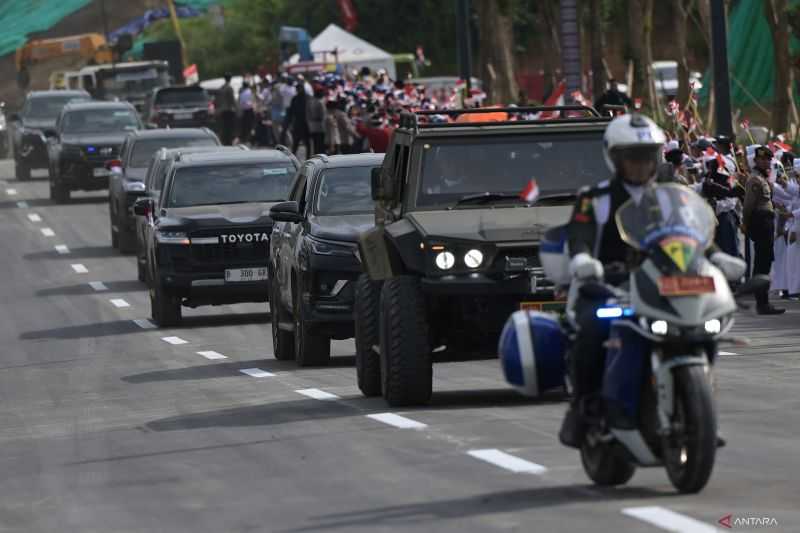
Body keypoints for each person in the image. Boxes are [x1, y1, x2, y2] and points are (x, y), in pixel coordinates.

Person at [559, 114, 747, 448]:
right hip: (610, 283)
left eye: (647, 154)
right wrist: (583, 259)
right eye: (631, 155)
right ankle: (584, 408)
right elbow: (580, 234)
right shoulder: (594, 197)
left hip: (663, 281)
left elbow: (692, 234)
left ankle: (699, 414)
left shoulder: (670, 195)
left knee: (703, 327)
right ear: (614, 158)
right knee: (592, 328)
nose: (640, 163)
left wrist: (716, 257)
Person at [743, 145, 785, 314]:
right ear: (756, 160)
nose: (766, 161)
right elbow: (748, 205)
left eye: (768, 158)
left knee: (765, 261)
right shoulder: (755, 179)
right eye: (763, 159)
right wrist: (745, 223)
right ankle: (762, 302)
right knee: (762, 262)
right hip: (760, 222)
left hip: (766, 221)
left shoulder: (763, 178)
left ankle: (762, 301)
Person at [286, 82, 310, 157]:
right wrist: (289, 122)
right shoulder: (295, 99)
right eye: (297, 88)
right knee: (295, 142)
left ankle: (308, 157)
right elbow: (291, 112)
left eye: (299, 88)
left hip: (306, 123)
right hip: (297, 123)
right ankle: (293, 158)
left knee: (307, 142)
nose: (298, 90)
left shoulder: (308, 98)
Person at [215, 73, 237, 145]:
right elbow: (231, 100)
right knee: (229, 127)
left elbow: (217, 100)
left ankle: (224, 141)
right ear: (230, 79)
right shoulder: (229, 88)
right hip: (228, 110)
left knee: (224, 126)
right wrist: (236, 108)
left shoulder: (221, 88)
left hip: (222, 110)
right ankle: (229, 141)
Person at [307, 88, 327, 156]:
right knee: (320, 145)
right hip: (320, 126)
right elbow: (323, 115)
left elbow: (307, 114)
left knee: (315, 144)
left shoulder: (310, 101)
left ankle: (315, 156)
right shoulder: (320, 102)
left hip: (312, 125)